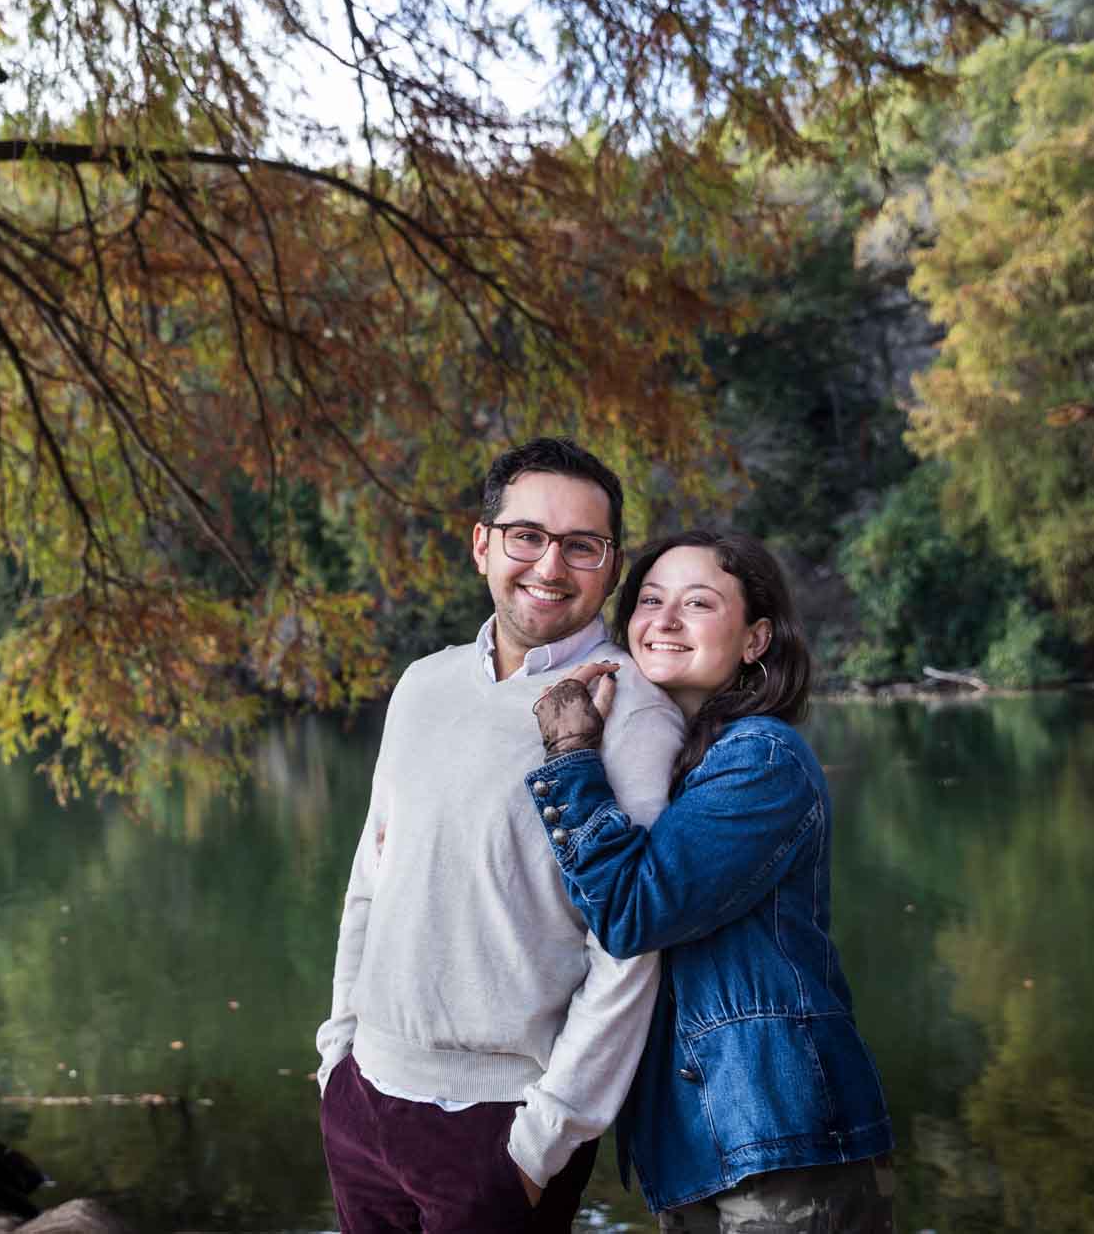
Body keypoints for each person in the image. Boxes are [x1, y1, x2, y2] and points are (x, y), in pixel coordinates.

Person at [316, 437, 686, 1233]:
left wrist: (543, 1139)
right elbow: (370, 881)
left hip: (499, 1126)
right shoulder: (424, 685)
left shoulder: (632, 713)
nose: (550, 566)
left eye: (581, 545)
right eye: (527, 535)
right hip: (365, 1102)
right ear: (483, 542)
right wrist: (337, 1056)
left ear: (611, 566)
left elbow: (628, 946)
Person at [526, 529, 895, 1233]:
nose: (663, 620)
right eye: (651, 599)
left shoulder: (763, 757)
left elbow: (633, 910)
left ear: (755, 640)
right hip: (702, 1143)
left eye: (697, 603)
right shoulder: (673, 766)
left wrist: (571, 754)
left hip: (779, 1139)